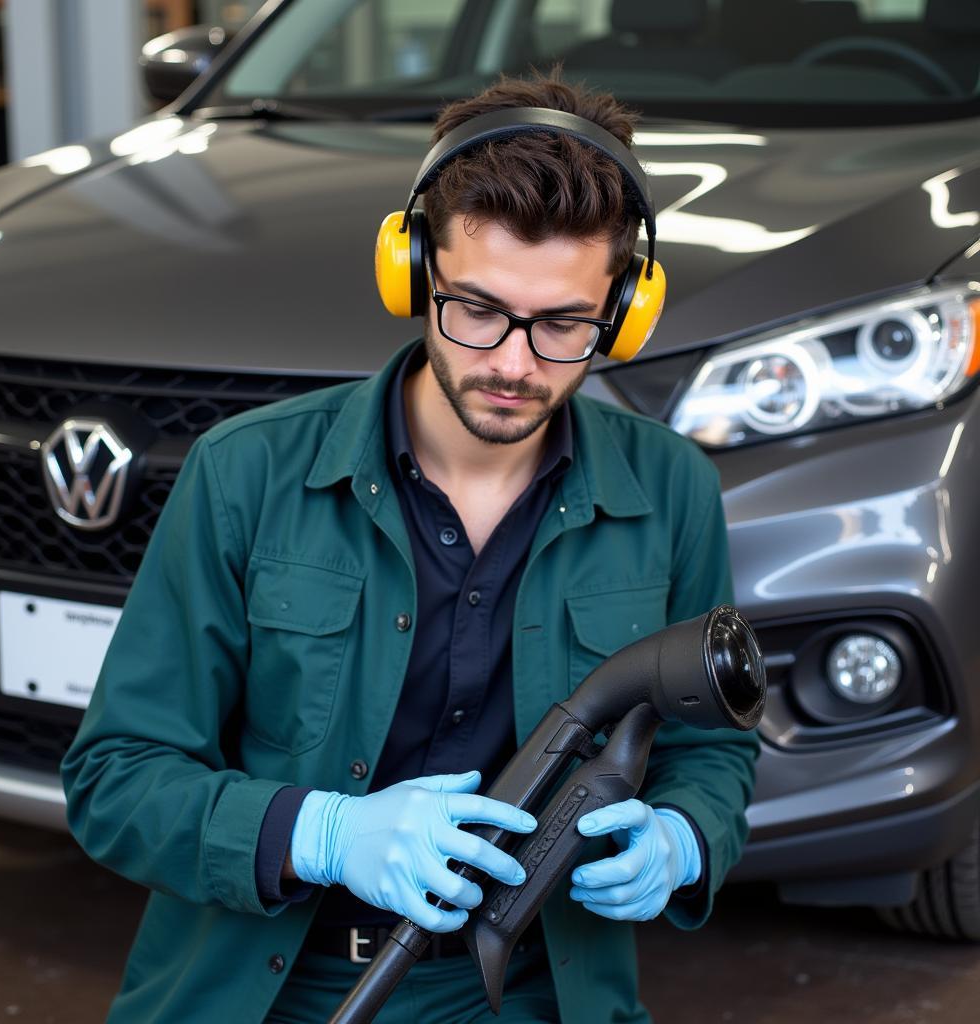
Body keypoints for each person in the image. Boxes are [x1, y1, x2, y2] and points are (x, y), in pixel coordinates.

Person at [62, 70, 759, 1024]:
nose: (513, 363)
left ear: (625, 312)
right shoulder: (245, 474)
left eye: (563, 325)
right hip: (268, 991)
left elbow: (709, 750)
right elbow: (116, 779)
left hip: (535, 992)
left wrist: (683, 837)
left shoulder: (673, 488)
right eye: (475, 309)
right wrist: (323, 833)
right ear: (414, 272)